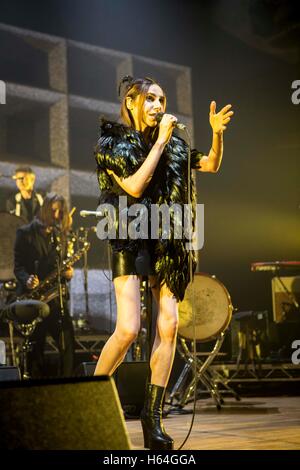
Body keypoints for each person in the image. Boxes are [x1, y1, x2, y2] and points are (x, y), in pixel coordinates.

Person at [94, 76, 233, 449]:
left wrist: (216, 134)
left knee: (168, 325)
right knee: (127, 330)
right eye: (151, 99)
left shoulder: (172, 145)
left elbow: (212, 165)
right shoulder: (112, 144)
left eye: (162, 99)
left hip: (165, 240)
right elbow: (135, 186)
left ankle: (151, 418)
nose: (158, 105)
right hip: (128, 232)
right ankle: (90, 402)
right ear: (132, 101)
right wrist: (158, 144)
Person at [14, 192, 75, 378]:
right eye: (54, 211)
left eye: (60, 212)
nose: (57, 216)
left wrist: (69, 273)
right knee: (35, 350)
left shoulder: (60, 235)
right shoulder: (24, 233)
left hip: (56, 300)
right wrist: (27, 279)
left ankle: (68, 387)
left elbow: (63, 264)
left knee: (68, 343)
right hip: (34, 300)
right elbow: (18, 267)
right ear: (45, 210)